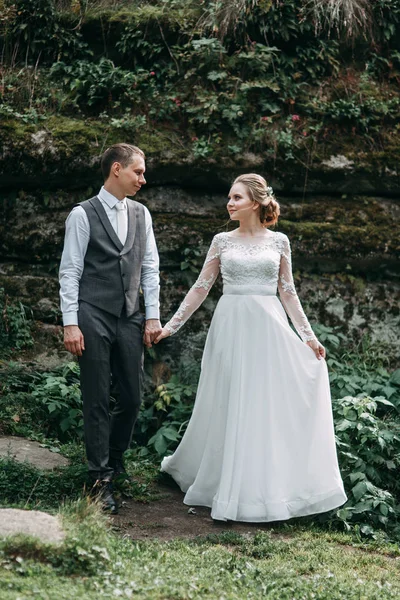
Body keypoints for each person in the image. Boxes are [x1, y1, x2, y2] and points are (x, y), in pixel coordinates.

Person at [155, 173, 347, 523]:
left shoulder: (280, 242)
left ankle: (261, 489)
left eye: (236, 198)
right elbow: (201, 287)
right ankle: (221, 483)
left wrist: (309, 337)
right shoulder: (221, 241)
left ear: (256, 203)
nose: (229, 204)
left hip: (268, 327)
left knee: (262, 402)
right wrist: (172, 325)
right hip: (230, 325)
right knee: (229, 398)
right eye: (229, 198)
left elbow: (287, 292)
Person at [59, 143, 161, 514]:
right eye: (138, 172)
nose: (143, 179)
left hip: (130, 316)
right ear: (116, 169)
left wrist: (152, 316)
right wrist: (71, 322)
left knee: (132, 398)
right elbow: (70, 271)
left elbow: (150, 267)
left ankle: (114, 463)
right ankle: (99, 478)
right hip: (93, 314)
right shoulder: (82, 215)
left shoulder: (141, 214)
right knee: (97, 398)